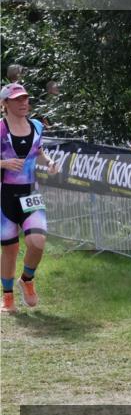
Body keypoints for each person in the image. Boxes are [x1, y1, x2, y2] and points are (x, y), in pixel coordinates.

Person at [0, 83, 57, 313]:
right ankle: (7, 298)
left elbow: (39, 152)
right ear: (5, 103)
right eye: (17, 99)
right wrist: (4, 163)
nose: (23, 103)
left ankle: (27, 279)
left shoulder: (36, 126)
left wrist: (49, 162)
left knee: (38, 241)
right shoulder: (1, 129)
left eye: (24, 98)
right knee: (10, 250)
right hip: (5, 195)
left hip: (31, 193)